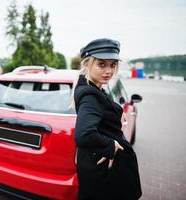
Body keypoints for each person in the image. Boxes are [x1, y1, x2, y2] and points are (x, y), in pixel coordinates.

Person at [73, 38, 142, 200]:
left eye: (112, 65)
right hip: (104, 170)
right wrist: (110, 145)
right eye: (101, 64)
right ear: (87, 64)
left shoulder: (92, 87)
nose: (109, 71)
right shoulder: (90, 95)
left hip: (99, 167)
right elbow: (83, 134)